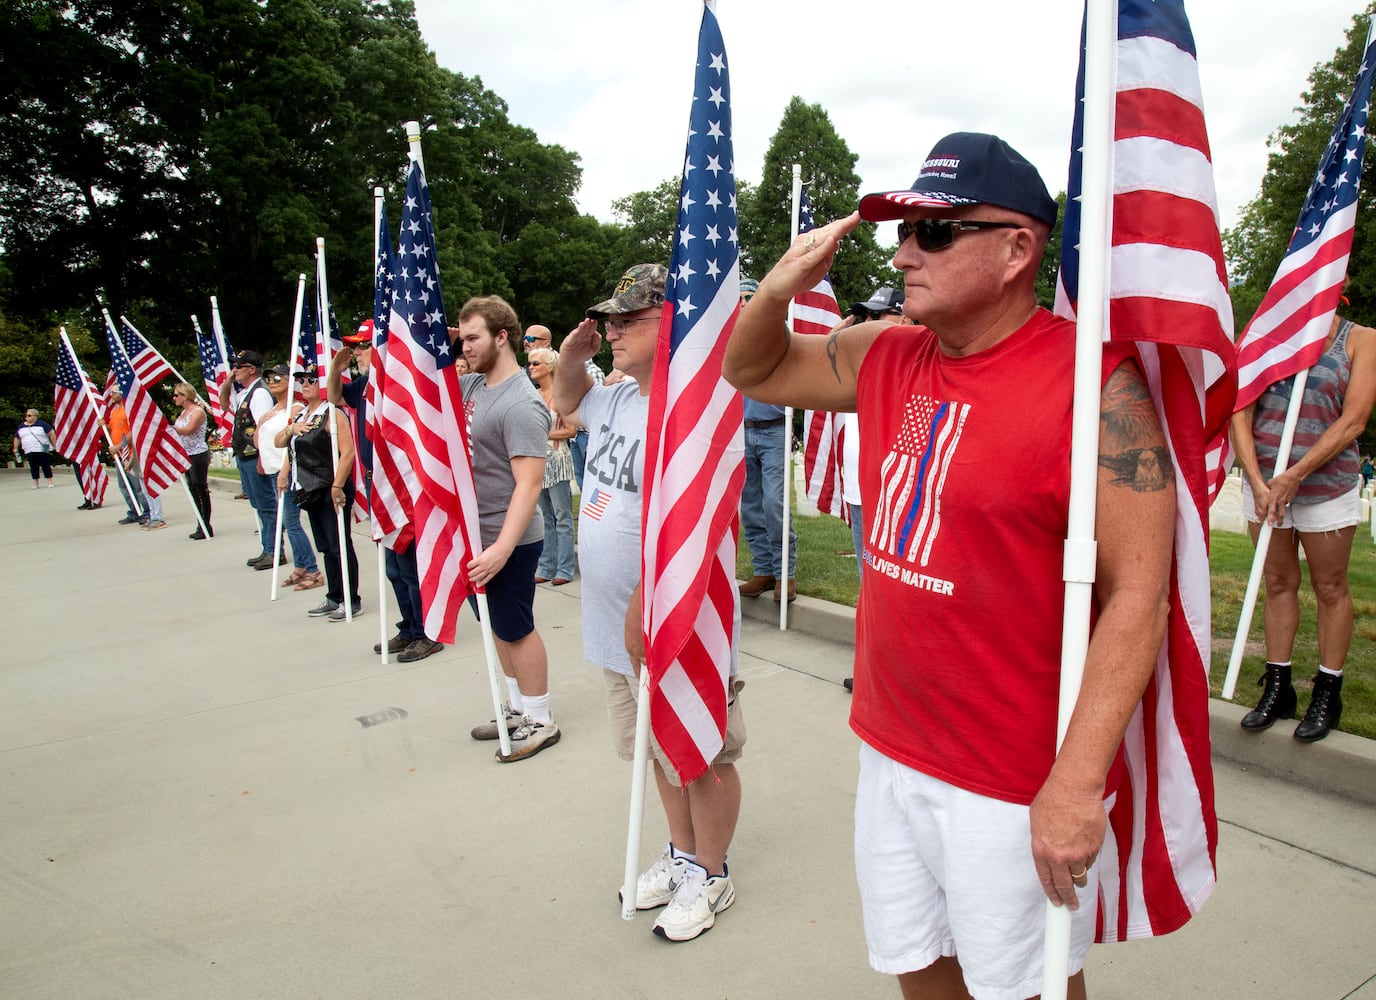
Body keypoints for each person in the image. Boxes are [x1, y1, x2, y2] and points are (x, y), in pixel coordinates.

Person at [723, 132, 1177, 999]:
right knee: (916, 962)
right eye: (904, 232)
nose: (903, 254)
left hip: (1010, 773)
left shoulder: (1096, 389)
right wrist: (781, 285)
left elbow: (1139, 597)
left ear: (1016, 250)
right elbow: (757, 368)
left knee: (1025, 987)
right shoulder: (886, 352)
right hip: (892, 745)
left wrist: (1077, 781)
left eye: (935, 233)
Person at [554, 263, 744, 943]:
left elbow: (702, 523)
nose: (610, 331)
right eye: (608, 319)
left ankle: (712, 872)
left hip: (677, 621)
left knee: (700, 752)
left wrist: (650, 601)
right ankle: (681, 852)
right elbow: (566, 403)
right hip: (613, 627)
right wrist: (573, 359)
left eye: (626, 320)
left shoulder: (697, 408)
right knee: (649, 753)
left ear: (671, 323)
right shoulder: (617, 398)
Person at [1229, 306, 1376, 742]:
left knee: (1329, 588)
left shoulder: (1361, 339)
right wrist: (1256, 481)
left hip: (1324, 488)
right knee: (1276, 582)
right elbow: (1240, 410)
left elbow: (1354, 420)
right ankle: (1279, 686)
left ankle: (1328, 691)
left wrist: (1296, 475)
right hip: (1266, 488)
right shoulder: (1265, 334)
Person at [457, 295, 559, 763]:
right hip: (478, 534)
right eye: (462, 336)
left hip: (510, 537)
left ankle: (540, 718)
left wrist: (501, 548)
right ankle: (517, 708)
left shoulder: (521, 402)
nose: (464, 345)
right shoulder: (474, 384)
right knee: (497, 626)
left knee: (517, 627)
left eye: (474, 336)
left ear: (503, 337)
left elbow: (530, 483)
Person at [329, 320, 441, 662]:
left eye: (363, 345)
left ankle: (426, 631)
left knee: (408, 564)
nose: (358, 352)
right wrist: (337, 369)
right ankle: (408, 627)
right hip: (377, 480)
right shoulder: (364, 384)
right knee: (393, 567)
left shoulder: (397, 382)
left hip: (401, 483)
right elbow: (335, 397)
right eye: (357, 346)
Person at [838, 287, 906, 693]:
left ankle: (885, 673)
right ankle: (874, 667)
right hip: (860, 493)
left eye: (877, 316)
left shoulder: (902, 366)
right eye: (864, 316)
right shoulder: (865, 365)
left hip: (886, 497)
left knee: (888, 592)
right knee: (871, 587)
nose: (866, 326)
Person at [278, 369, 360, 622]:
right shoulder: (301, 414)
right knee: (325, 546)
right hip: (310, 489)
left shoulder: (332, 414)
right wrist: (292, 428)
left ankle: (350, 599)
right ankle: (334, 595)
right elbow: (279, 442)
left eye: (311, 381)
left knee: (339, 545)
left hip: (330, 487)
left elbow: (347, 453)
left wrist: (337, 486)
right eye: (302, 381)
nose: (305, 385)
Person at [736, 277, 797, 604]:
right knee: (751, 506)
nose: (745, 302)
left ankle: (785, 572)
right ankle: (764, 569)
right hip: (742, 430)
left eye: (750, 296)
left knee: (774, 505)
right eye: (741, 298)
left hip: (774, 429)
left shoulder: (779, 332)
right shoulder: (731, 339)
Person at [257, 366, 321, 586]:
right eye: (268, 379)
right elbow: (261, 440)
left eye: (277, 378)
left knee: (290, 522)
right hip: (271, 469)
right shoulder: (274, 409)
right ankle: (301, 566)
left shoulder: (296, 409)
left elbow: (291, 446)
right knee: (287, 520)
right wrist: (263, 420)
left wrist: (285, 472)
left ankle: (313, 569)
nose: (272, 382)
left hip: (288, 471)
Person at [220, 351, 278, 569]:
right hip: (245, 456)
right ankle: (267, 548)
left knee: (266, 505)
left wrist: (263, 458)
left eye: (238, 366)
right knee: (258, 504)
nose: (234, 370)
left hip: (254, 457)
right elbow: (224, 405)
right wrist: (228, 381)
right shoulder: (245, 392)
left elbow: (263, 428)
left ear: (251, 369)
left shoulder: (260, 393)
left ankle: (274, 550)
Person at [525, 322, 601, 489]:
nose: (526, 341)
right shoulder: (530, 383)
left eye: (530, 338)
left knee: (589, 481)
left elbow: (588, 405)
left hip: (581, 434)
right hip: (543, 453)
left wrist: (542, 434)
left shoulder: (564, 368)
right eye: (525, 338)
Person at [527, 346, 577, 585]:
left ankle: (565, 568)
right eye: (530, 363)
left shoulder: (561, 394)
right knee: (543, 515)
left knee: (562, 515)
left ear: (549, 366)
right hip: (537, 462)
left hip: (557, 461)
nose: (531, 367)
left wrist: (543, 432)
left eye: (536, 363)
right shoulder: (532, 394)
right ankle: (546, 566)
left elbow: (571, 429)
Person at [170, 383, 214, 539]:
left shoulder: (197, 412)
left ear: (185, 396)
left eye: (176, 395)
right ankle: (199, 523)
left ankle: (205, 525)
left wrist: (171, 429)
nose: (174, 398)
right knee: (192, 489)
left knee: (200, 488)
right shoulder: (183, 413)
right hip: (186, 454)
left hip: (197, 454)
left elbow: (189, 430)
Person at [106, 387, 149, 526]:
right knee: (124, 486)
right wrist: (104, 426)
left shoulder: (129, 410)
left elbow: (133, 431)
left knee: (138, 486)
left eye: (114, 392)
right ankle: (134, 511)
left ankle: (147, 512)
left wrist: (119, 446)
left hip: (130, 453)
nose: (111, 395)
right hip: (118, 456)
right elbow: (114, 429)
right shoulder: (115, 411)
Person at [13, 408, 57, 489]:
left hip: (43, 448)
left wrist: (54, 444)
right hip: (29, 449)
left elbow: (52, 433)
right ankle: (35, 482)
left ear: (35, 416)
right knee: (33, 466)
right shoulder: (21, 426)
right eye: (26, 415)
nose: (27, 417)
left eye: (29, 415)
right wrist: (15, 448)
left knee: (45, 465)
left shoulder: (42, 424)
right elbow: (17, 437)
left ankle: (49, 481)